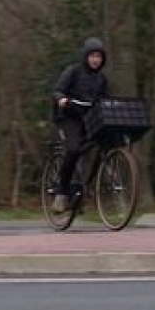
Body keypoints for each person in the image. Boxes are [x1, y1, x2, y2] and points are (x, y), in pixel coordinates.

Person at [50, 37, 109, 213]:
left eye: (99, 56)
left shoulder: (102, 79)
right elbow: (57, 90)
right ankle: (61, 192)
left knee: (103, 144)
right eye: (92, 56)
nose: (95, 60)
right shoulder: (73, 71)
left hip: (89, 120)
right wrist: (61, 99)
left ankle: (81, 191)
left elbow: (105, 99)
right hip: (69, 117)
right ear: (86, 56)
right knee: (73, 150)